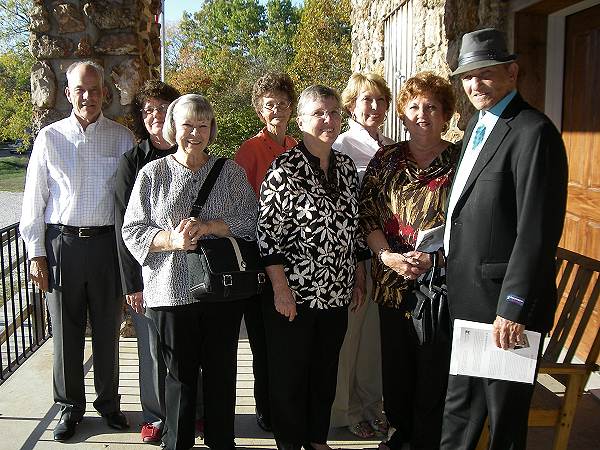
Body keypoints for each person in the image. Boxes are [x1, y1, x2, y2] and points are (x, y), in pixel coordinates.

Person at [439, 28, 568, 450]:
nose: (475, 85)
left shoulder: (534, 133)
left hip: (505, 311)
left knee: (504, 422)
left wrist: (513, 307)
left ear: (512, 72)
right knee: (460, 411)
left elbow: (537, 230)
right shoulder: (478, 125)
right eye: (467, 77)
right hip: (468, 300)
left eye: (486, 74)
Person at [122, 94, 257, 450]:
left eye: (202, 125)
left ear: (211, 129)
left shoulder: (230, 173)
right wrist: (171, 239)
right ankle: (176, 444)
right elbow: (132, 229)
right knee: (178, 377)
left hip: (221, 292)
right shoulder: (153, 174)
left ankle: (220, 442)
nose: (194, 133)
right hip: (170, 291)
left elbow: (251, 222)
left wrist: (211, 226)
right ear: (173, 128)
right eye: (187, 125)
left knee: (221, 374)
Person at [19, 60, 135, 441]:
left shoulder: (121, 139)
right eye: (80, 90)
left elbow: (131, 203)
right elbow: (33, 202)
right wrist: (37, 254)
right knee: (66, 335)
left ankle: (109, 404)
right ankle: (71, 408)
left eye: (95, 89)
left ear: (105, 92)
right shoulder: (49, 138)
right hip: (62, 246)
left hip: (106, 247)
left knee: (107, 331)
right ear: (68, 94)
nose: (88, 96)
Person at [257, 85, 369, 450]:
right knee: (290, 376)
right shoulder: (284, 169)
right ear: (301, 120)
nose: (329, 119)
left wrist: (357, 276)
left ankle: (316, 439)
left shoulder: (347, 168)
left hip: (336, 292)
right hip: (294, 295)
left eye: (334, 112)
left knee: (324, 372)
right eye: (319, 113)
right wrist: (280, 289)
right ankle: (290, 443)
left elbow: (355, 229)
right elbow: (268, 236)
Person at [359, 72, 460, 450]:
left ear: (446, 116)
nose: (422, 114)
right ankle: (400, 433)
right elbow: (366, 213)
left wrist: (435, 259)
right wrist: (386, 255)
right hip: (392, 278)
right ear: (402, 114)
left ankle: (427, 439)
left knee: (433, 365)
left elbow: (471, 221)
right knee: (397, 365)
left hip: (441, 283)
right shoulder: (386, 159)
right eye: (414, 106)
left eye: (432, 107)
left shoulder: (460, 160)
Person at [114, 80, 205, 443]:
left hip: (196, 278)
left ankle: (192, 414)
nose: (154, 115)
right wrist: (131, 283)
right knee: (153, 353)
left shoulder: (200, 156)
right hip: (151, 275)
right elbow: (125, 226)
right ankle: (158, 415)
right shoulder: (133, 162)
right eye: (147, 109)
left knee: (191, 352)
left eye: (161, 108)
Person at [330, 72, 394, 439]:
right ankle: (345, 409)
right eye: (366, 100)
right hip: (354, 257)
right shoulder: (341, 147)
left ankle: (373, 405)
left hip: (387, 256)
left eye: (380, 100)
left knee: (375, 338)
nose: (374, 106)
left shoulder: (390, 146)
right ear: (351, 105)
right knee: (350, 338)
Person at [234, 72, 297, 432]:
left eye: (283, 103)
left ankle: (288, 404)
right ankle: (266, 407)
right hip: (260, 258)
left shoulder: (296, 145)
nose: (277, 110)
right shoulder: (250, 150)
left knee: (288, 339)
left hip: (295, 257)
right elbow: (242, 206)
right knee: (264, 339)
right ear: (260, 110)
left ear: (291, 108)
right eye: (269, 104)